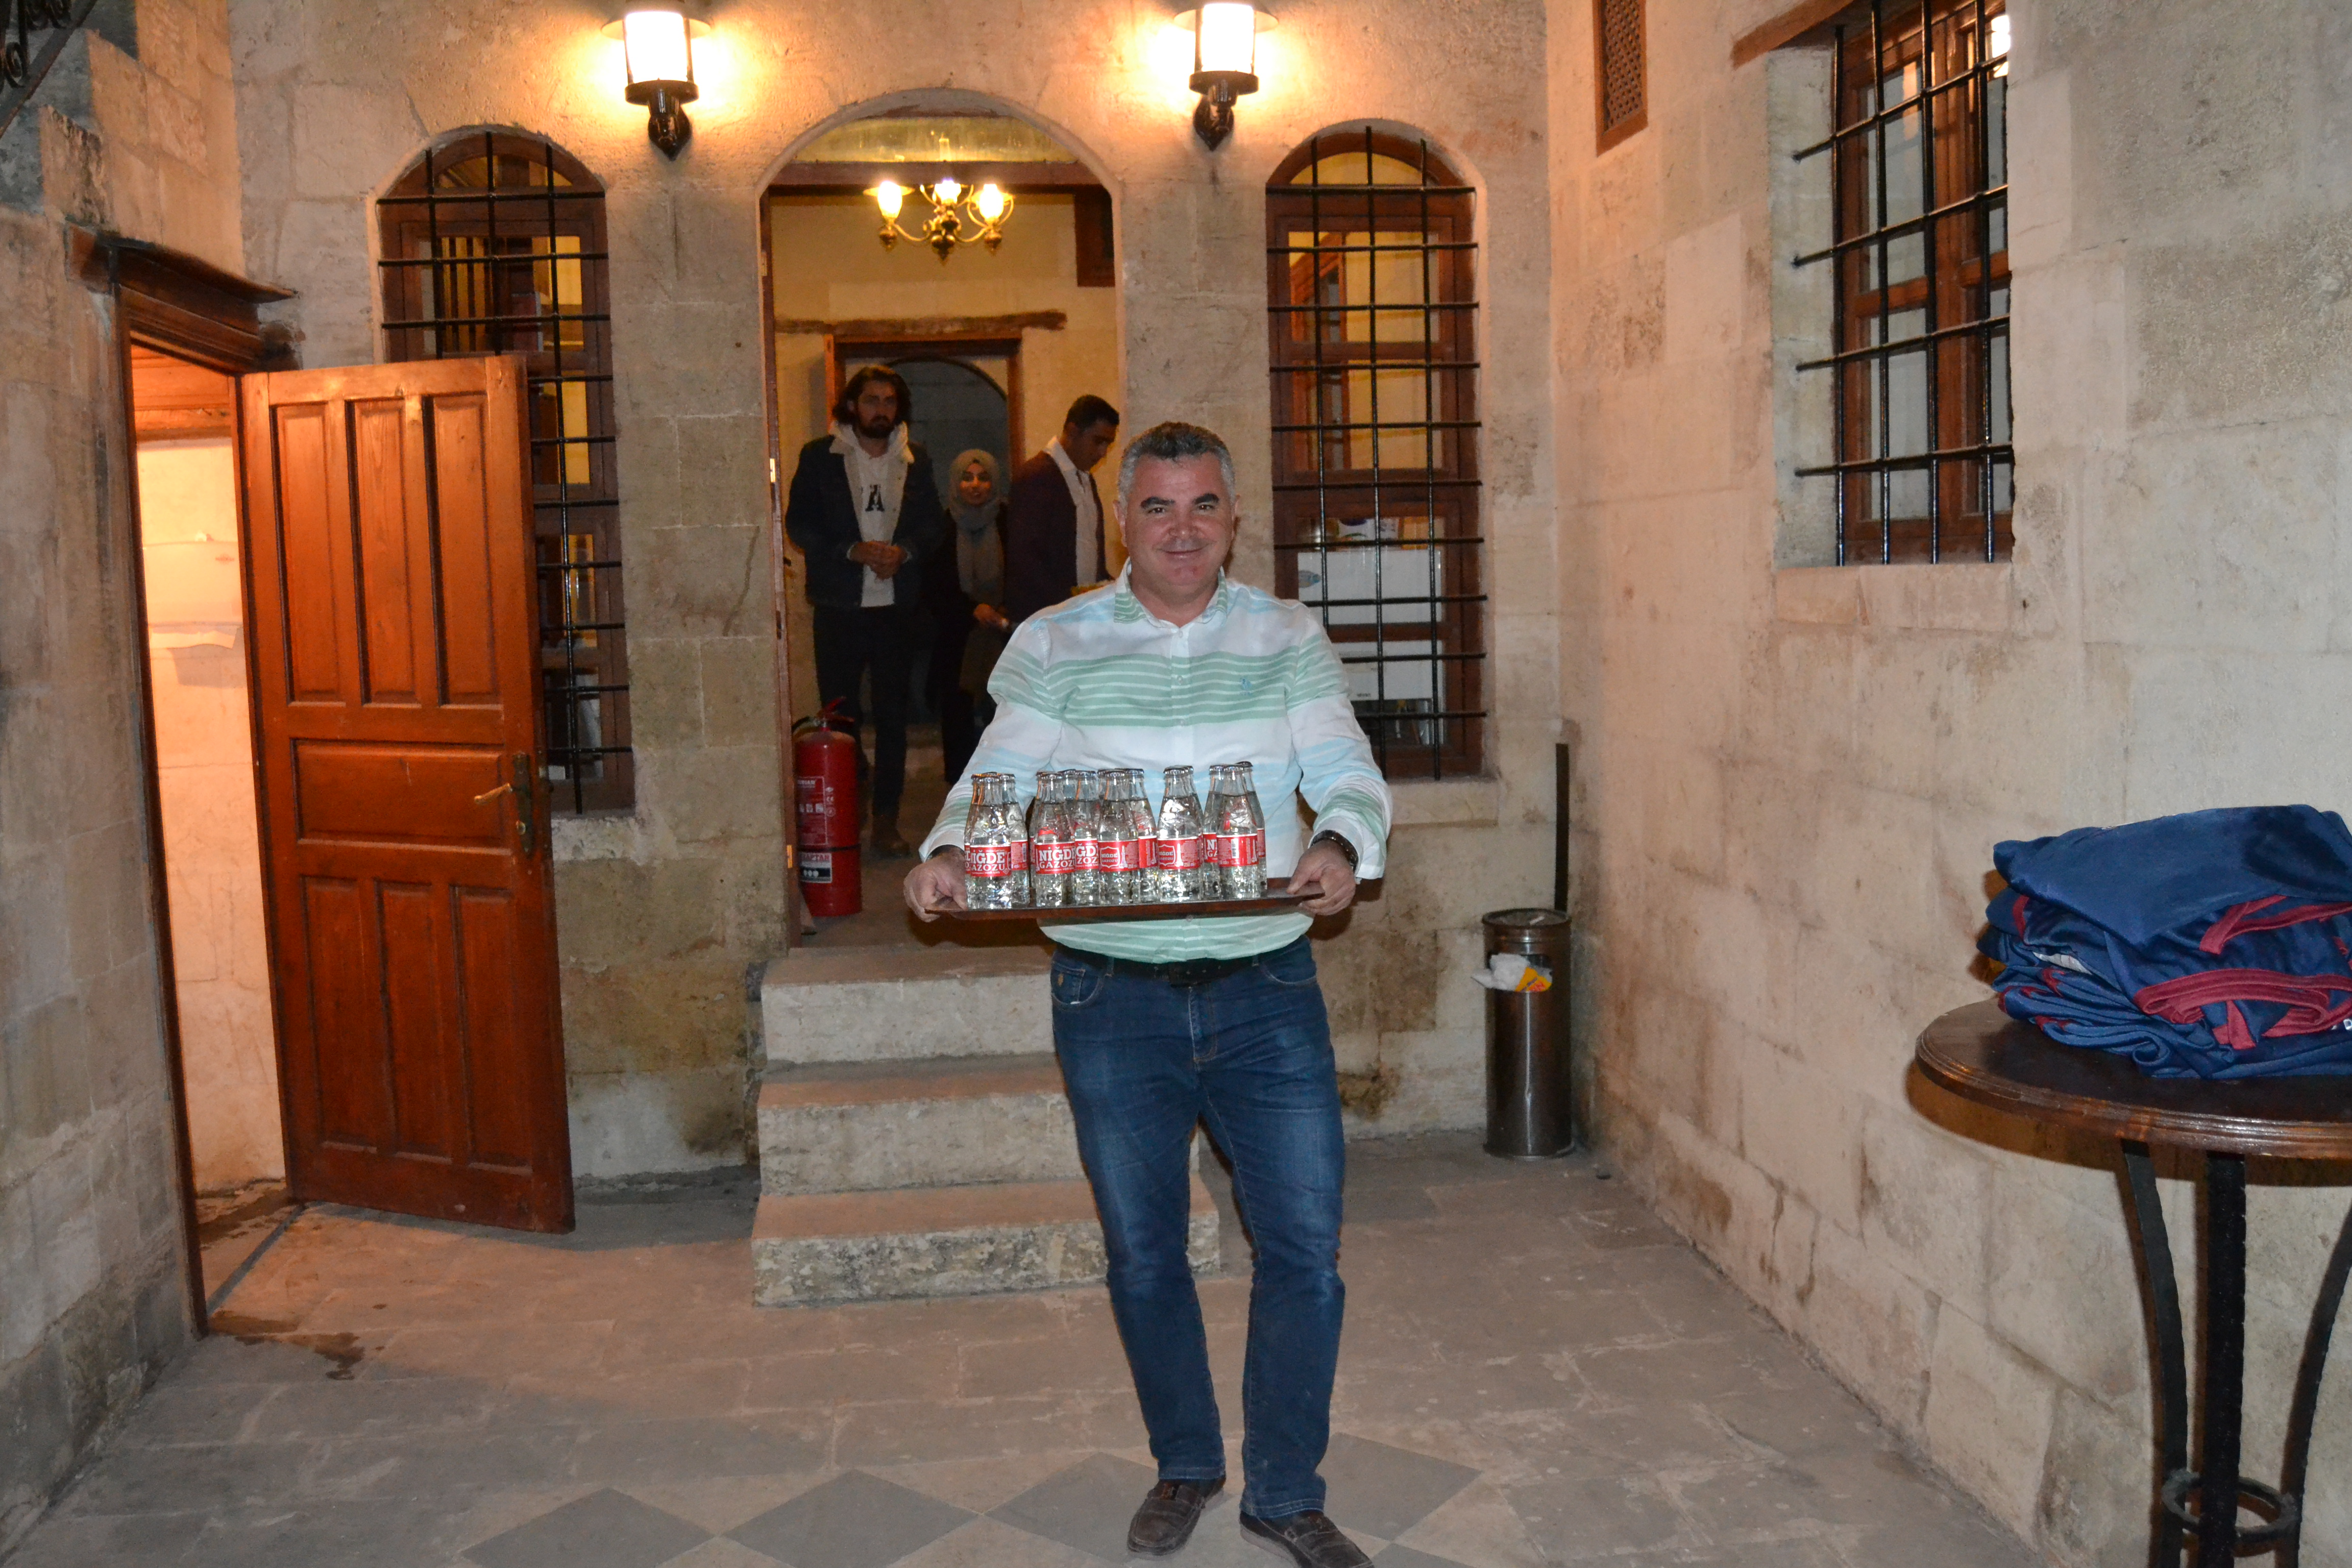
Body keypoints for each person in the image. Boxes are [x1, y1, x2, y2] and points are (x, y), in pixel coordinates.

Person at [904, 422, 1391, 1568]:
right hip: (1110, 996)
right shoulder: (1054, 638)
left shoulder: (1287, 634)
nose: (1183, 530)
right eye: (1159, 507)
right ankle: (1187, 1464)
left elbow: (1344, 765)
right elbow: (1000, 775)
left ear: (1234, 516)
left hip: (1266, 987)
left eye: (1204, 505)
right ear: (1124, 518)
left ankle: (1285, 1491)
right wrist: (954, 851)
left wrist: (1340, 840)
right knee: (1144, 1253)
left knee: (1304, 1250)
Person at [783, 365, 946, 859]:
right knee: (841, 716)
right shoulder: (820, 456)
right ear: (853, 405)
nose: (881, 410)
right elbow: (799, 523)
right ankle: (848, 811)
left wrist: (906, 552)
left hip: (895, 608)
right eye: (872, 400)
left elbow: (933, 525)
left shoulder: (916, 459)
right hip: (840, 606)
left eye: (890, 401)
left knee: (894, 717)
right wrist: (850, 550)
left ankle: (887, 820)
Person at [922, 449, 1012, 784]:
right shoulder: (942, 526)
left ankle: (1004, 784)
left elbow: (1021, 571)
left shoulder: (1009, 522)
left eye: (984, 478)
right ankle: (960, 792)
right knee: (958, 716)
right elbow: (933, 586)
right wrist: (971, 609)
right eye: (967, 478)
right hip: (958, 638)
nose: (975, 485)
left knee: (1003, 715)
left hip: (1002, 634)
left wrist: (1003, 609)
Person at [1002, 394, 1119, 626]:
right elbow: (1025, 561)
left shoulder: (1086, 478)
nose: (1103, 452)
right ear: (1073, 431)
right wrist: (1071, 604)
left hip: (1079, 615)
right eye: (1098, 441)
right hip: (1047, 618)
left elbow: (1089, 552)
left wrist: (1107, 588)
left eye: (1108, 444)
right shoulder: (1036, 477)